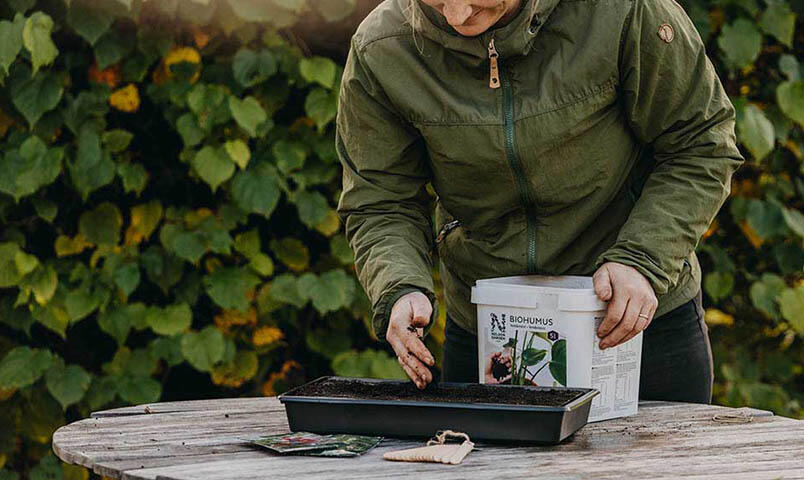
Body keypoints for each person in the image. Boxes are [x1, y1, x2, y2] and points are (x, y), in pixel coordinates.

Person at [335, 0, 744, 403]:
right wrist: (400, 285)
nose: (457, 15)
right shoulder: (381, 47)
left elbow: (700, 144)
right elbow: (381, 200)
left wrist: (643, 258)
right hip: (488, 329)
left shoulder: (623, 10)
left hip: (635, 319)